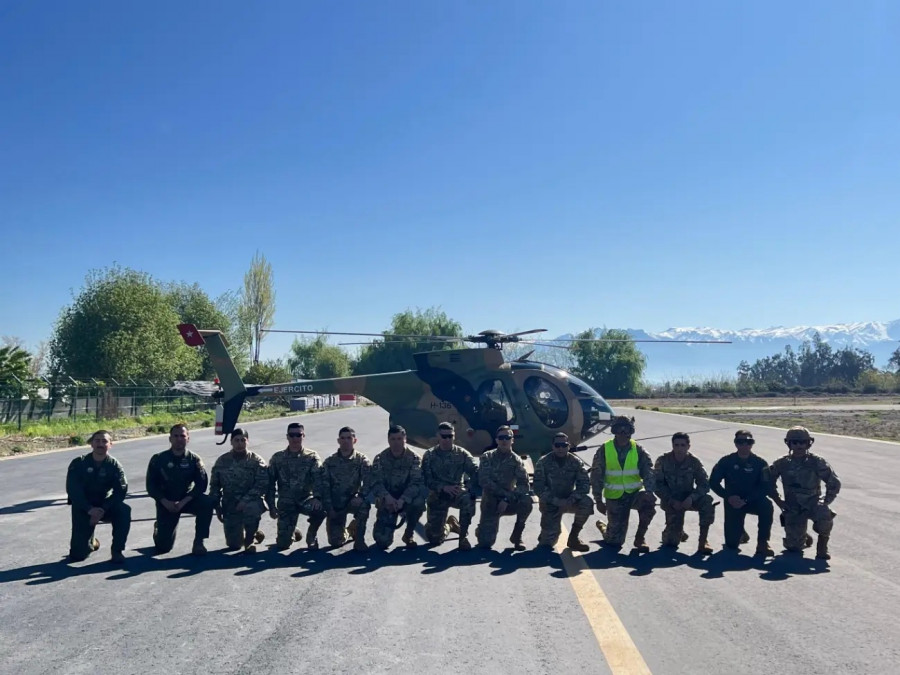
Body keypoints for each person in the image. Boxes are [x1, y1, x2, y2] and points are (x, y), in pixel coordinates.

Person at [770, 426, 841, 560]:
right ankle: (802, 536)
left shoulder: (817, 462)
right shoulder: (782, 463)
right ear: (789, 444)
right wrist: (779, 501)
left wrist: (825, 501)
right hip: (793, 507)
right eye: (795, 442)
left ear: (808, 443)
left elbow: (834, 483)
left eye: (803, 442)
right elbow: (768, 482)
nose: (799, 446)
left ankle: (822, 546)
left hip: (813, 503)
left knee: (824, 515)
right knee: (793, 547)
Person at [146, 423, 215, 556]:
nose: (179, 439)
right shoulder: (158, 459)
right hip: (166, 502)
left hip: (186, 500)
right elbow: (151, 486)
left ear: (188, 439)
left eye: (182, 436)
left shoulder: (194, 459)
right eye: (175, 436)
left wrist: (184, 501)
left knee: (207, 502)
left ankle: (199, 542)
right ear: (170, 438)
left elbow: (201, 485)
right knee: (163, 548)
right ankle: (158, 530)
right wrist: (164, 501)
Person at [590, 416, 656, 552]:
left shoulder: (638, 449)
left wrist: (649, 491)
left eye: (627, 431)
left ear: (631, 432)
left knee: (649, 502)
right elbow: (596, 475)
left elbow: (649, 471)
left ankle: (640, 538)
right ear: (614, 431)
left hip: (635, 494)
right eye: (620, 431)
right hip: (615, 497)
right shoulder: (605, 449)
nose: (623, 434)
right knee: (614, 542)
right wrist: (598, 500)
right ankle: (604, 528)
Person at [66, 430, 131, 564]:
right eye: (97, 441)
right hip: (83, 505)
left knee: (124, 510)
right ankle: (92, 542)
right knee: (78, 555)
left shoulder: (115, 465)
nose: (100, 444)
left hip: (105, 504)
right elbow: (73, 490)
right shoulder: (79, 463)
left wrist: (102, 509)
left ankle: (117, 550)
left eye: (104, 441)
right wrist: (89, 509)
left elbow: (121, 491)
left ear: (110, 445)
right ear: (91, 443)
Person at [710, 430, 774, 557]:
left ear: (752, 444)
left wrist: (746, 500)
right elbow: (713, 482)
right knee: (732, 545)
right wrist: (727, 497)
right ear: (735, 443)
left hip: (752, 501)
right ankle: (740, 532)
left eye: (748, 442)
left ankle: (763, 542)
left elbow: (766, 487)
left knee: (767, 505)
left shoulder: (760, 463)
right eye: (740, 441)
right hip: (732, 502)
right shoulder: (726, 461)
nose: (744, 445)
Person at [653, 432, 715, 555]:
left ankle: (703, 540)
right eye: (676, 445)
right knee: (670, 543)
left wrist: (692, 498)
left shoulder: (694, 462)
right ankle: (676, 530)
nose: (679, 448)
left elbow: (704, 484)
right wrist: (670, 499)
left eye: (682, 445)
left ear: (688, 446)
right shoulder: (663, 461)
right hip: (671, 499)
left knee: (707, 501)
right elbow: (657, 484)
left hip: (688, 497)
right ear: (672, 446)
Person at [266, 422, 325, 551]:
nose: (295, 438)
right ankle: (291, 531)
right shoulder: (278, 458)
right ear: (287, 437)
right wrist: (271, 506)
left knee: (321, 509)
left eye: (298, 435)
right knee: (283, 545)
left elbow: (318, 480)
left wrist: (318, 498)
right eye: (292, 435)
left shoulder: (312, 457)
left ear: (303, 436)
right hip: (286, 503)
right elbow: (269, 484)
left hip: (305, 499)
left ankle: (311, 535)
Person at [422, 422, 479, 550]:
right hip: (438, 495)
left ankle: (463, 537)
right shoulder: (429, 455)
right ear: (438, 436)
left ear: (454, 436)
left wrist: (468, 487)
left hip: (456, 492)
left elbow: (475, 472)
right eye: (444, 436)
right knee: (434, 539)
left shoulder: (462, 454)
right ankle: (450, 525)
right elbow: (426, 480)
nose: (447, 439)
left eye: (450, 436)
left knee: (468, 499)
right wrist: (442, 487)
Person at [209, 428, 268, 553]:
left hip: (250, 501)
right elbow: (214, 486)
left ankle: (250, 539)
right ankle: (253, 532)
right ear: (231, 442)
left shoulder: (256, 461)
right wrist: (217, 507)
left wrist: (245, 501)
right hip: (230, 504)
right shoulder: (222, 461)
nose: (240, 443)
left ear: (247, 441)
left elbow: (261, 485)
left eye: (243, 440)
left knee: (251, 509)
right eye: (236, 440)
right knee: (234, 545)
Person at [533, 432, 594, 552]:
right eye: (557, 445)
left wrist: (569, 500)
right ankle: (547, 532)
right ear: (552, 446)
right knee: (546, 545)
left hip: (569, 500)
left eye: (564, 445)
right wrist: (556, 501)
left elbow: (585, 485)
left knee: (587, 502)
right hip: (550, 502)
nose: (561, 448)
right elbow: (538, 488)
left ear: (569, 446)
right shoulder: (543, 462)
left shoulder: (575, 462)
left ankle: (574, 538)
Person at [368, 425, 426, 550]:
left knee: (419, 503)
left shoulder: (414, 458)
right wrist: (387, 497)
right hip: (387, 501)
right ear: (388, 440)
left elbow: (416, 483)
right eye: (393, 439)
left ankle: (408, 534)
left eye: (399, 438)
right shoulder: (380, 458)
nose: (396, 442)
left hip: (406, 500)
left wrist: (402, 500)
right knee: (382, 542)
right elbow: (375, 482)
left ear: (405, 439)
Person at [476, 426, 533, 551]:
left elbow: (524, 485)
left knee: (527, 501)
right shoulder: (487, 457)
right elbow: (484, 481)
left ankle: (517, 535)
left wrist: (507, 499)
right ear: (496, 440)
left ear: (512, 440)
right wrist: (504, 495)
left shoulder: (516, 460)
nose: (504, 440)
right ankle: (482, 528)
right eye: (501, 438)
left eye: (507, 437)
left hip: (508, 501)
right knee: (485, 543)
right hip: (490, 502)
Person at [319, 426, 371, 551]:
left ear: (354, 440)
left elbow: (369, 481)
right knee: (336, 542)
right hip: (336, 505)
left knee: (364, 505)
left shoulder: (361, 460)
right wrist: (329, 508)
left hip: (353, 501)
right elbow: (324, 487)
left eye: (349, 438)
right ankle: (349, 530)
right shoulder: (329, 462)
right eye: (342, 438)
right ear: (338, 440)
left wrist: (361, 495)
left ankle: (359, 539)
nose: (346, 441)